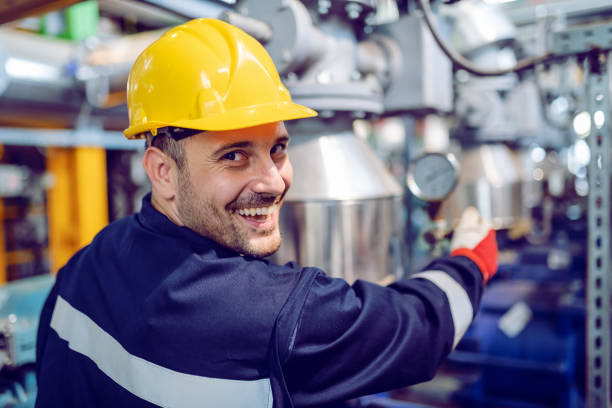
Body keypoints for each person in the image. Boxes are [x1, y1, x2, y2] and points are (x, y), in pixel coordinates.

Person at [35, 18, 498, 408]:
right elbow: (419, 330)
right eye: (234, 156)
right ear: (163, 172)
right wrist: (469, 262)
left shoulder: (87, 263)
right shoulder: (269, 315)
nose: (275, 182)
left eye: (277, 148)